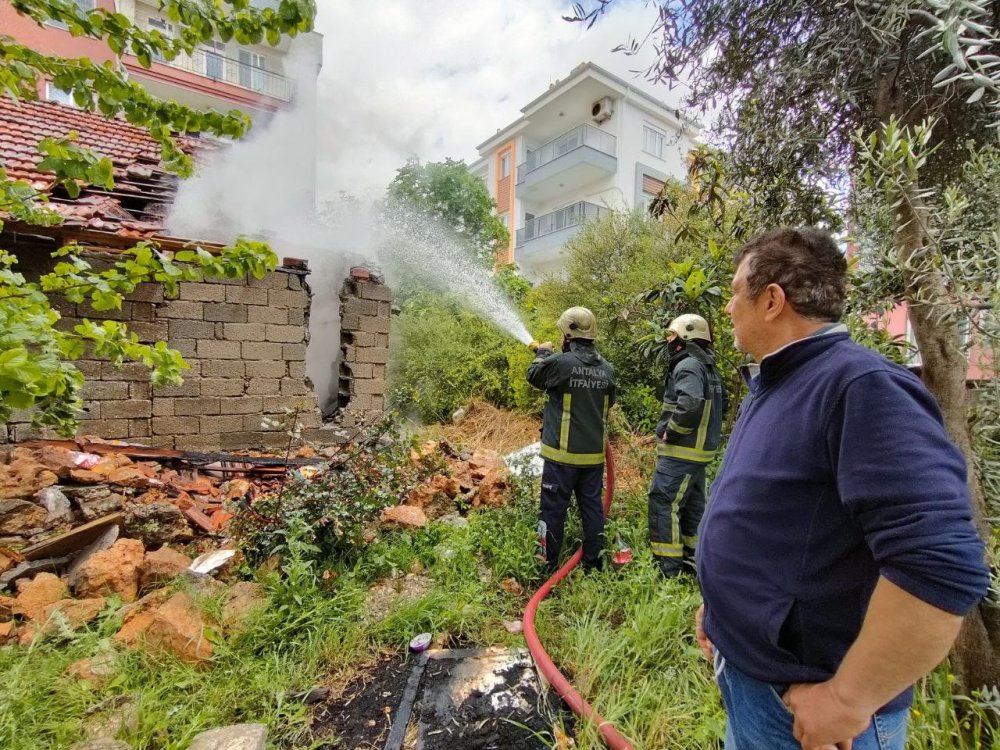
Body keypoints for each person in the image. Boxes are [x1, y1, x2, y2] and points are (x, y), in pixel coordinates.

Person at [696, 227, 990, 750]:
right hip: (754, 681)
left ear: (771, 300)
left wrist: (848, 699)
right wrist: (723, 614)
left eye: (735, 291)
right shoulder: (780, 382)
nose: (726, 307)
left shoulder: (861, 386)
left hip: (808, 711)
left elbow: (941, 565)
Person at [527, 306, 616, 574]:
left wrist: (542, 353)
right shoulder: (607, 369)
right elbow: (609, 402)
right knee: (592, 510)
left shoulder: (561, 363)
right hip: (592, 459)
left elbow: (534, 376)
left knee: (553, 511)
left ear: (568, 335)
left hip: (561, 458)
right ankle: (593, 565)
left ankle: (546, 566)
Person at [647, 313, 727, 578]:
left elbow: (690, 403)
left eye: (672, 335)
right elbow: (721, 405)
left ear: (685, 337)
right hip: (699, 453)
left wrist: (672, 431)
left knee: (663, 502)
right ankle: (693, 562)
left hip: (681, 452)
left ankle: (667, 569)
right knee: (693, 506)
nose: (668, 340)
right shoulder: (708, 367)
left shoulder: (689, 365)